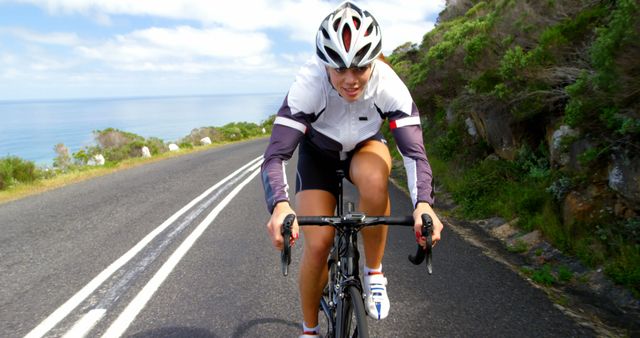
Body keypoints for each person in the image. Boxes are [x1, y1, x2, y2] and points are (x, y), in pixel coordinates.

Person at [261, 1, 443, 337]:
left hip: (365, 147)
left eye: (360, 67)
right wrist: (280, 206)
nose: (350, 80)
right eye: (339, 69)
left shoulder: (388, 85)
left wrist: (423, 204)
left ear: (374, 60)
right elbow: (275, 156)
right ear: (324, 64)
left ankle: (374, 272)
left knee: (375, 179)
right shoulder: (308, 84)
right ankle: (309, 329)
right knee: (317, 245)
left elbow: (414, 154)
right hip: (318, 155)